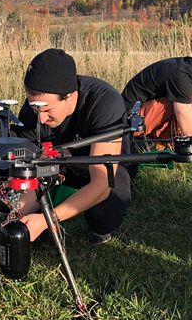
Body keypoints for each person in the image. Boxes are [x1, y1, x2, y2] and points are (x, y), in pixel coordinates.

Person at [13, 48, 135, 244]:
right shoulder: (33, 111)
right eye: (34, 108)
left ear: (70, 95)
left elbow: (101, 183)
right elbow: (34, 171)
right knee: (25, 233)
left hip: (103, 168)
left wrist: (47, 220)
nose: (41, 118)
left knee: (103, 214)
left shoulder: (104, 103)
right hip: (58, 165)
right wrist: (14, 214)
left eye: (48, 110)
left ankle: (96, 226)